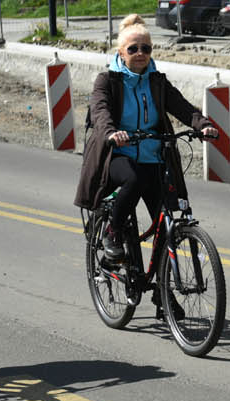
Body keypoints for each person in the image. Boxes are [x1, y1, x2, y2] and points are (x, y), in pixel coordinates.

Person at [73, 15, 221, 289]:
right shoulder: (107, 80)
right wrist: (111, 133)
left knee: (167, 223)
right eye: (133, 49)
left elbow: (183, 107)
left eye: (146, 48)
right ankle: (113, 232)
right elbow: (100, 111)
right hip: (116, 155)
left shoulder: (157, 81)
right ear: (120, 52)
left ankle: (162, 294)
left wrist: (203, 125)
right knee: (134, 179)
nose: (140, 54)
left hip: (154, 156)